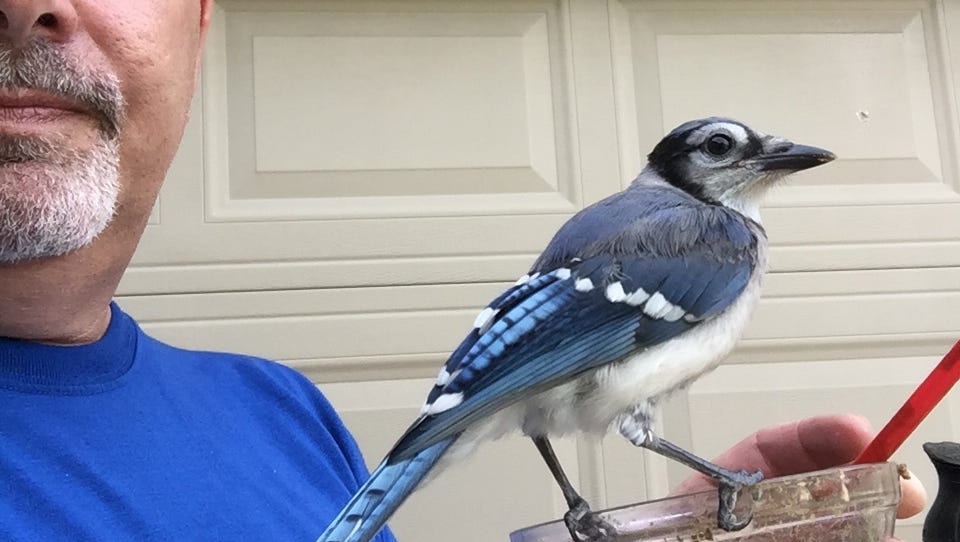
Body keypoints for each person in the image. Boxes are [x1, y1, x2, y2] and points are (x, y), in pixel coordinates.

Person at [0, 1, 924, 540]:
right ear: (683, 169)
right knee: (634, 426)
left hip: (512, 384)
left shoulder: (276, 415)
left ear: (200, 23)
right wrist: (727, 493)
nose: (753, 162)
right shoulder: (713, 239)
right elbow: (586, 366)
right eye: (726, 150)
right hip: (548, 374)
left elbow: (530, 362)